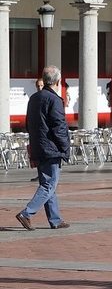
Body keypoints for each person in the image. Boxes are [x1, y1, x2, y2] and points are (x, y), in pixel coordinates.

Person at [16, 65, 71, 231]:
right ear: (58, 81)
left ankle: (55, 219)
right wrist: (65, 147)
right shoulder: (54, 100)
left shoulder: (34, 98)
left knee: (48, 184)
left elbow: (28, 123)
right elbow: (59, 127)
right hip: (50, 148)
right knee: (49, 185)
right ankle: (27, 213)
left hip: (38, 146)